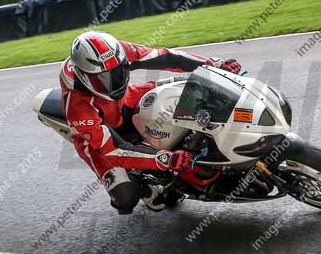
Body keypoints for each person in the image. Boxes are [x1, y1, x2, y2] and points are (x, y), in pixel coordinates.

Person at [59, 31, 241, 214]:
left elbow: (165, 57)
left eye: (118, 73)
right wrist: (165, 159)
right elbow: (115, 150)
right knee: (125, 197)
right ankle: (146, 188)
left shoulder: (116, 52)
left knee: (194, 87)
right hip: (97, 138)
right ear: (83, 76)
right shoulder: (77, 104)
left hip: (125, 100)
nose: (112, 83)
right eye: (101, 81)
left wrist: (212, 63)